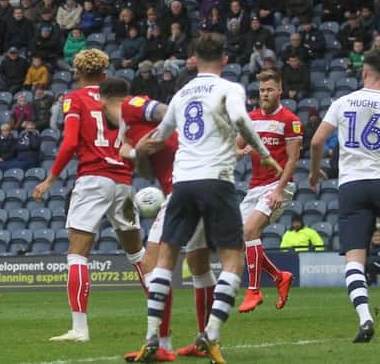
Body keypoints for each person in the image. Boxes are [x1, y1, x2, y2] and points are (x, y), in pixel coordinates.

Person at [134, 33, 282, 363]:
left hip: (183, 182)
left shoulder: (182, 93)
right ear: (225, 59)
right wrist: (263, 153)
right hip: (216, 180)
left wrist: (137, 148)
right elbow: (242, 119)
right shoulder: (230, 88)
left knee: (165, 262)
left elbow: (159, 137)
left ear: (194, 58)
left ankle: (150, 338)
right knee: (232, 262)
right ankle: (211, 336)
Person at [33, 49, 146, 342]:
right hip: (123, 180)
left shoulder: (74, 99)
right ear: (105, 74)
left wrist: (50, 178)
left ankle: (79, 329)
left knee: (77, 255)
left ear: (77, 74)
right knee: (137, 253)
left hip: (93, 179)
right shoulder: (124, 101)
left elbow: (70, 142)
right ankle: (161, 319)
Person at [98, 78, 214, 361]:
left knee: (151, 264)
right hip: (200, 184)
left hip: (183, 188)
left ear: (104, 101)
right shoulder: (126, 134)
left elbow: (166, 111)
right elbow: (147, 169)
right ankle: (206, 340)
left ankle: (163, 345)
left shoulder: (131, 105)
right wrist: (139, 151)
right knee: (199, 266)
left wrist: (158, 136)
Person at [308, 48, 380, 343]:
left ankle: (365, 318)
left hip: (351, 186)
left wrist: (314, 174)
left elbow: (316, 141)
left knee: (354, 259)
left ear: (364, 72)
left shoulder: (342, 102)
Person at [236, 69, 301, 313]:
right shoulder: (250, 118)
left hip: (278, 185)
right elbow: (237, 146)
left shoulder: (290, 120)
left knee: (251, 229)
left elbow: (293, 160)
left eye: (270, 89)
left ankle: (253, 290)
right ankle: (279, 276)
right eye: (262, 90)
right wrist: (238, 152)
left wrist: (279, 191)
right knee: (241, 237)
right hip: (255, 186)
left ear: (280, 90)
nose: (265, 93)